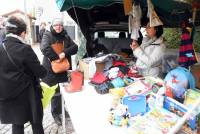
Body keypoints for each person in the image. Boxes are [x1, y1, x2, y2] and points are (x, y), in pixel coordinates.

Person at [0, 16, 47, 134]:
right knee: (36, 124)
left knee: (17, 125)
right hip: (29, 94)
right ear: (22, 33)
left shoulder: (1, 48)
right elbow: (41, 72)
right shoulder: (24, 48)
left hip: (9, 94)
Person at [40, 17, 78, 125]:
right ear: (52, 25)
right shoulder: (48, 35)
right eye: (56, 25)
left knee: (63, 90)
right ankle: (55, 114)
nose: (58, 27)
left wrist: (64, 53)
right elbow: (44, 48)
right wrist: (57, 57)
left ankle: (63, 109)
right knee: (55, 92)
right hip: (51, 69)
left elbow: (75, 47)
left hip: (63, 68)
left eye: (60, 25)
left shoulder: (65, 35)